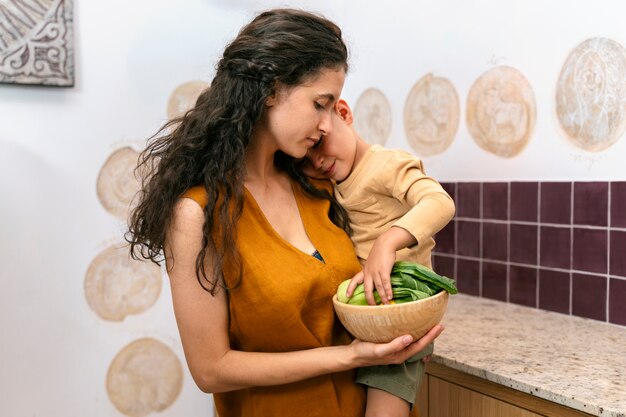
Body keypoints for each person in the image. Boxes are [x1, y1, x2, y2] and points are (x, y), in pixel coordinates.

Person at [126, 9, 443, 417]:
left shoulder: (318, 186)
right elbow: (211, 369)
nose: (327, 125)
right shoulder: (198, 214)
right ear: (271, 89)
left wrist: (399, 333)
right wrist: (350, 358)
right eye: (319, 104)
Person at [299, 99, 456, 416]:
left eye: (319, 143)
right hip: (371, 326)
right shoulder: (333, 182)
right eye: (305, 156)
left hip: (399, 324)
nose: (317, 161)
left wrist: (388, 242)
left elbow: (440, 202)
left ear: (343, 114)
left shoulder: (386, 164)